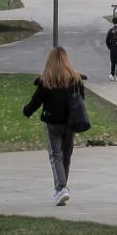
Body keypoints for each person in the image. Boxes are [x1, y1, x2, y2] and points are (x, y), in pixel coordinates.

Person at [23, 46, 87, 206]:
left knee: (55, 155)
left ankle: (61, 188)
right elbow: (82, 100)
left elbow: (35, 102)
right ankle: (61, 189)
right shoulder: (76, 80)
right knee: (66, 155)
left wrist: (26, 111)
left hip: (52, 123)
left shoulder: (47, 81)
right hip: (71, 123)